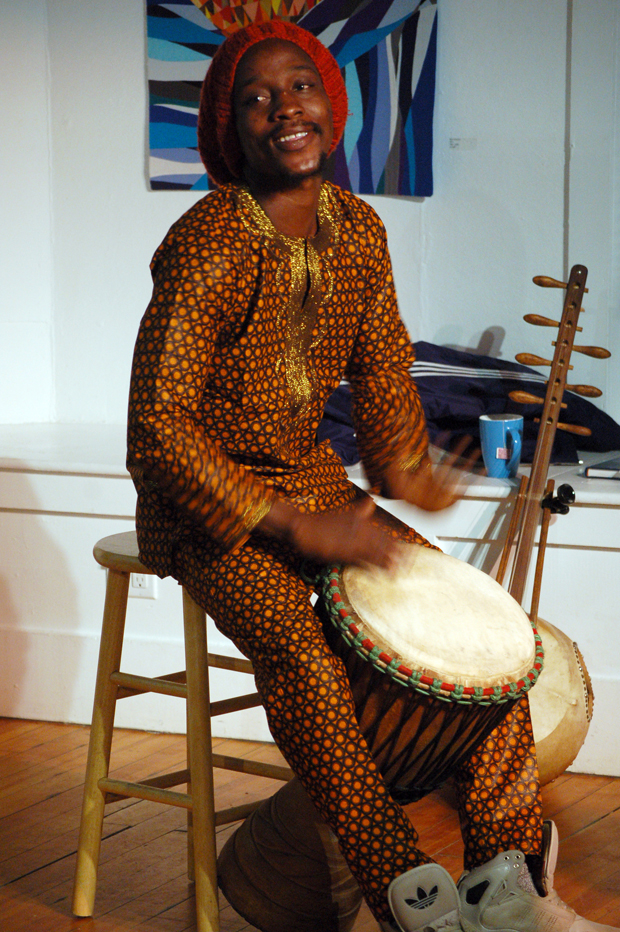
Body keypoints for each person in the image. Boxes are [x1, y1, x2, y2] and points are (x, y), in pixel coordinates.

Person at [127, 21, 618, 932]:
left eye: (301, 88)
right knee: (301, 646)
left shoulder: (359, 229)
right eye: (258, 99)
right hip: (207, 507)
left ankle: (506, 883)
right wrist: (295, 526)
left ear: (332, 104)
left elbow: (384, 374)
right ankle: (403, 894)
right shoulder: (206, 244)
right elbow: (156, 431)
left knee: (484, 631)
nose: (286, 111)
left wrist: (410, 470)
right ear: (232, 128)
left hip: (316, 480)